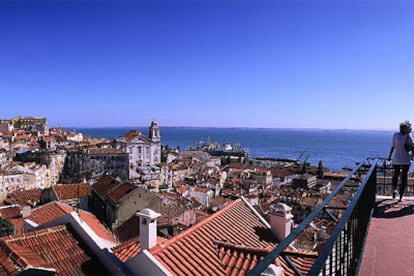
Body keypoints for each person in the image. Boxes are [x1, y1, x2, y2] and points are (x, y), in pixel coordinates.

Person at [388, 121, 414, 201]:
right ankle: (398, 193)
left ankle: (398, 193)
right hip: (405, 158)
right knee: (401, 176)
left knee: (399, 176)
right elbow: (413, 147)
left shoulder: (399, 135)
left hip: (400, 158)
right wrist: (412, 157)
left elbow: (393, 146)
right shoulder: (407, 136)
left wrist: (389, 156)